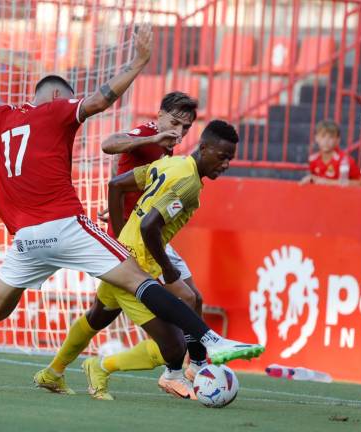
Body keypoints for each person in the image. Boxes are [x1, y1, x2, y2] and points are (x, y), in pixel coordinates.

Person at [0, 28, 262, 389]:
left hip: (26, 239)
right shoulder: (58, 111)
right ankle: (210, 340)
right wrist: (138, 62)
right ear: (59, 96)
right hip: (64, 224)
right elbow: (100, 101)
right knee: (138, 279)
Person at [37, 120, 248, 401]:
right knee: (172, 347)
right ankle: (101, 366)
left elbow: (116, 185)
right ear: (205, 147)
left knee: (97, 316)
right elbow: (150, 226)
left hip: (122, 253)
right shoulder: (187, 183)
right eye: (222, 157)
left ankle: (53, 372)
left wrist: (119, 236)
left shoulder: (171, 165)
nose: (225, 165)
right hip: (137, 267)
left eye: (230, 159)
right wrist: (169, 271)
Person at [300, 120, 361, 186]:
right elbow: (313, 181)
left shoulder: (345, 160)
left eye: (331, 137)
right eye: (323, 136)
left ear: (338, 140)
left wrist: (328, 182)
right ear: (316, 138)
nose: (326, 141)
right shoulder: (312, 159)